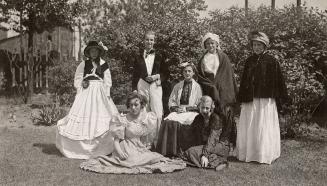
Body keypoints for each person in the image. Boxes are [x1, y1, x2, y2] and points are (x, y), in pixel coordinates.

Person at [80, 92, 186, 174]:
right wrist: (120, 152)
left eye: (136, 105)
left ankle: (141, 158)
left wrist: (145, 147)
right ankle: (129, 160)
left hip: (138, 147)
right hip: (125, 147)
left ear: (142, 105)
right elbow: (116, 141)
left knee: (155, 158)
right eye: (130, 105)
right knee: (131, 160)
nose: (133, 108)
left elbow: (146, 137)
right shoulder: (122, 119)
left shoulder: (146, 119)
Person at [56, 41, 119, 159]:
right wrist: (80, 91)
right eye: (91, 51)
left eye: (96, 50)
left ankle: (103, 146)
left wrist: (107, 94)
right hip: (87, 91)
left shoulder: (104, 64)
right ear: (89, 52)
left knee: (101, 115)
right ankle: (80, 147)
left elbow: (107, 81)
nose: (94, 53)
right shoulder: (83, 64)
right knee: (84, 114)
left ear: (99, 51)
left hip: (100, 92)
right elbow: (78, 78)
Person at [237, 31, 288, 164]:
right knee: (251, 125)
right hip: (250, 99)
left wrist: (281, 99)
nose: (257, 47)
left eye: (259, 45)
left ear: (265, 46)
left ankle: (263, 154)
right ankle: (250, 153)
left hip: (265, 100)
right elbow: (244, 81)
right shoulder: (249, 61)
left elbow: (279, 81)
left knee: (263, 125)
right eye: (254, 45)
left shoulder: (272, 61)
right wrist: (241, 97)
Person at [197, 32, 237, 147]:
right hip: (209, 88)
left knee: (225, 112)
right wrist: (211, 86)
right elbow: (201, 76)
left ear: (216, 44)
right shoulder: (203, 59)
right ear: (205, 45)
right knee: (213, 114)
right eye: (208, 44)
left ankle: (226, 139)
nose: (210, 46)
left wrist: (219, 85)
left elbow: (227, 74)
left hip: (224, 88)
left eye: (212, 43)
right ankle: (211, 139)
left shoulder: (223, 57)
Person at [131, 30, 169, 147]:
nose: (149, 42)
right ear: (144, 41)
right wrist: (134, 89)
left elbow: (166, 73)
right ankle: (144, 141)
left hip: (155, 85)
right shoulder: (138, 56)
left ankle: (156, 141)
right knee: (143, 111)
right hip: (142, 84)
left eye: (151, 40)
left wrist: (157, 76)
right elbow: (135, 74)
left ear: (154, 41)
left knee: (157, 113)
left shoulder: (160, 55)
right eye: (147, 39)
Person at [156, 62, 202, 156]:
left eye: (189, 71)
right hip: (178, 110)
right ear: (182, 73)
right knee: (168, 122)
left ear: (193, 73)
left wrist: (186, 109)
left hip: (191, 112)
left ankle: (183, 151)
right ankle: (168, 151)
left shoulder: (197, 87)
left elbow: (199, 104)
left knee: (185, 123)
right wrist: (176, 109)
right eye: (185, 71)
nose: (187, 73)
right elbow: (171, 101)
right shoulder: (178, 86)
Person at [183, 96, 230, 171]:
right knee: (189, 151)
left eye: (207, 108)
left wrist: (204, 155)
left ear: (211, 108)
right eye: (202, 108)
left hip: (220, 145)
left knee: (192, 151)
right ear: (199, 107)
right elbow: (191, 134)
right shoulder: (198, 118)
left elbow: (213, 139)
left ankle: (218, 161)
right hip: (207, 145)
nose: (204, 111)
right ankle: (217, 160)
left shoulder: (215, 119)